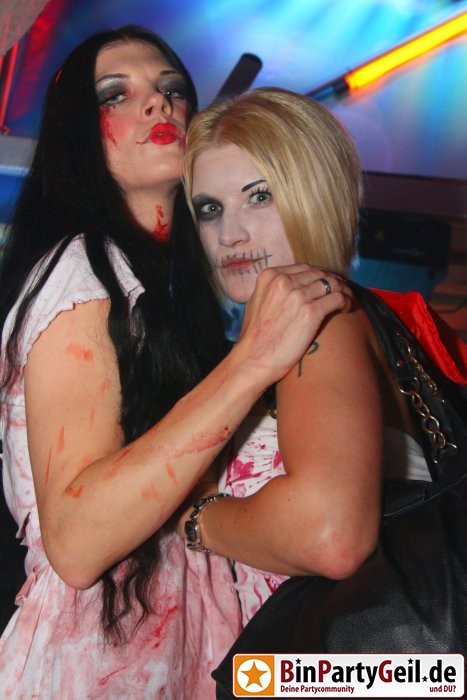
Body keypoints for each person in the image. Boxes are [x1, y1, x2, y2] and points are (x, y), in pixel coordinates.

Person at [0, 28, 351, 699]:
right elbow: (75, 543)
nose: (158, 104)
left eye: (172, 90)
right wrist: (250, 364)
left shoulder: (163, 288)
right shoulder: (82, 270)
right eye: (116, 94)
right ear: (77, 134)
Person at [179, 86, 465, 628]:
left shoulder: (322, 320)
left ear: (315, 196)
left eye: (259, 196)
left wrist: (196, 518)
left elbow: (329, 536)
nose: (229, 234)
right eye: (210, 209)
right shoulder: (317, 326)